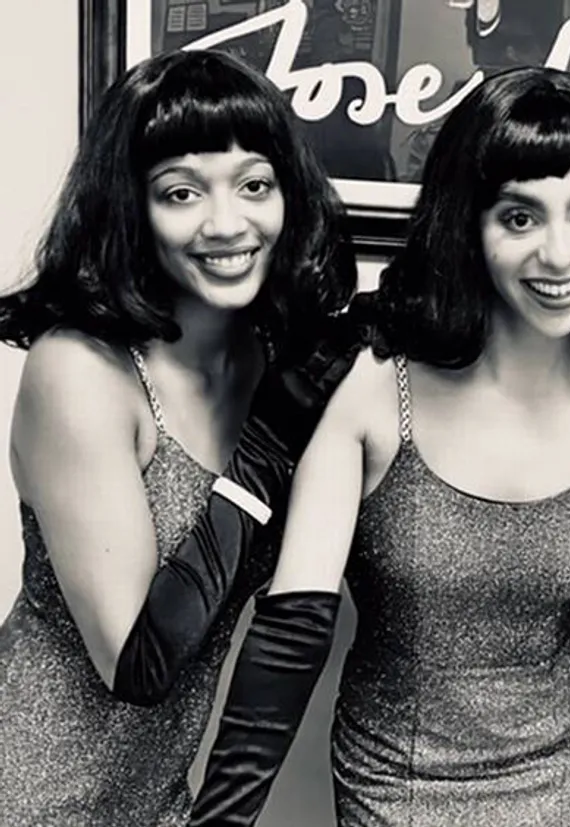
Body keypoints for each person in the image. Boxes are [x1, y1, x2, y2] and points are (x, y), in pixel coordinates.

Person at [190, 66, 570, 827]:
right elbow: (292, 630)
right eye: (520, 218)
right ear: (469, 226)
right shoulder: (370, 387)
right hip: (394, 767)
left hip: (560, 769)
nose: (561, 255)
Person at [0, 49, 359, 826]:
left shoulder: (270, 358)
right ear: (132, 207)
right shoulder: (81, 371)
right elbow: (138, 663)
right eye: (181, 193)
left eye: (255, 186)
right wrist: (271, 441)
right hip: (28, 793)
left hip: (160, 798)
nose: (227, 224)